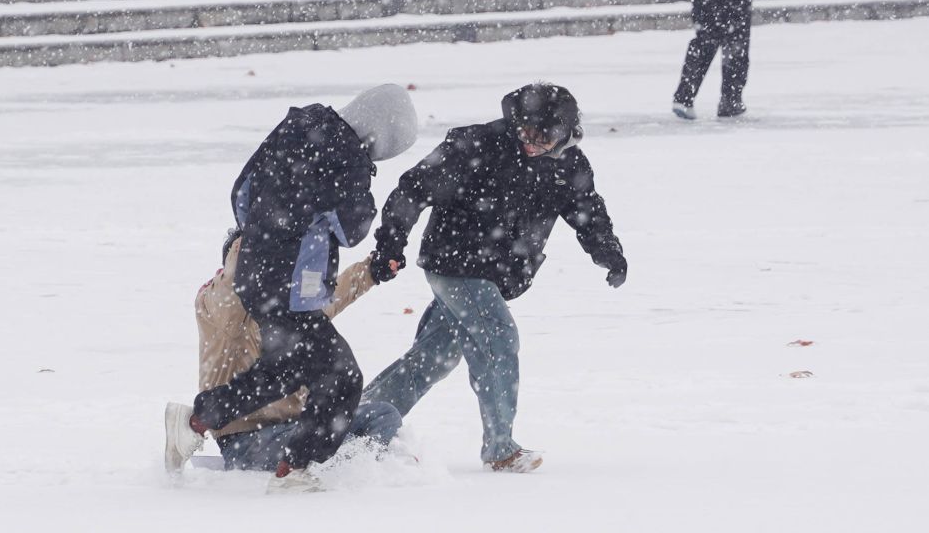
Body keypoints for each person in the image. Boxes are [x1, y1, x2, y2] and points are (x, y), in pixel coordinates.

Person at [360, 83, 627, 473]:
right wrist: (390, 244)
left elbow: (588, 212)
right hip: (454, 263)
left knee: (433, 358)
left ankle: (356, 419)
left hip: (500, 275)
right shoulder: (476, 146)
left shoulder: (570, 165)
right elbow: (412, 189)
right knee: (499, 339)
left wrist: (609, 255)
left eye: (543, 137)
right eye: (525, 133)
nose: (531, 144)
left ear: (566, 133)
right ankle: (501, 449)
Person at [164, 84, 419, 483]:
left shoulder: (299, 130)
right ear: (380, 137)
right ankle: (295, 470)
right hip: (255, 428)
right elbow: (354, 228)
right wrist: (353, 193)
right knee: (342, 378)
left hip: (274, 283)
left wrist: (370, 271)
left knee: (289, 367)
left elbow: (242, 190)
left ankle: (197, 422)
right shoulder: (343, 154)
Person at [194, 234, 406, 475]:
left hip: (299, 429)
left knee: (384, 415)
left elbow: (337, 293)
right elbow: (232, 279)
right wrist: (256, 227)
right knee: (335, 448)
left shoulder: (288, 310)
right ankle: (350, 467)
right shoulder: (222, 309)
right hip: (247, 441)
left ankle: (360, 466)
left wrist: (371, 270)